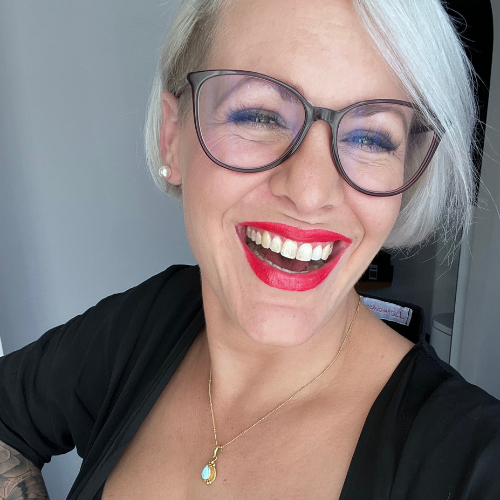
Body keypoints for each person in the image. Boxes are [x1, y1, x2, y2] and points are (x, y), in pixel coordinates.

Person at [1, 0, 499, 498]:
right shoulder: (146, 321)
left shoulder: (469, 462)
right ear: (172, 138)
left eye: (371, 138)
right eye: (259, 115)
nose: (309, 192)